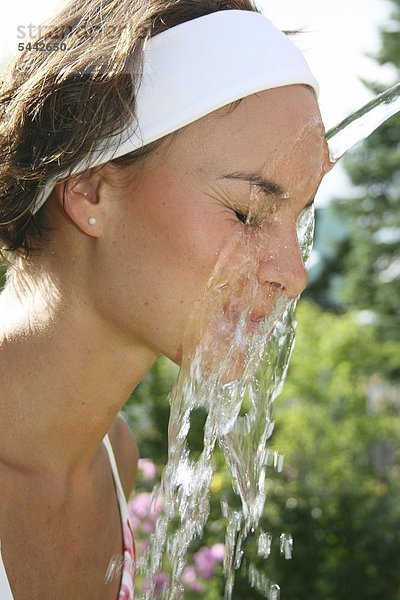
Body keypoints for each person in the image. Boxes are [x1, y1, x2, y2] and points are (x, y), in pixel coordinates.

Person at [0, 0, 330, 598]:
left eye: (299, 219)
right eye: (248, 213)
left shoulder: (111, 459)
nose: (295, 273)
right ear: (90, 189)